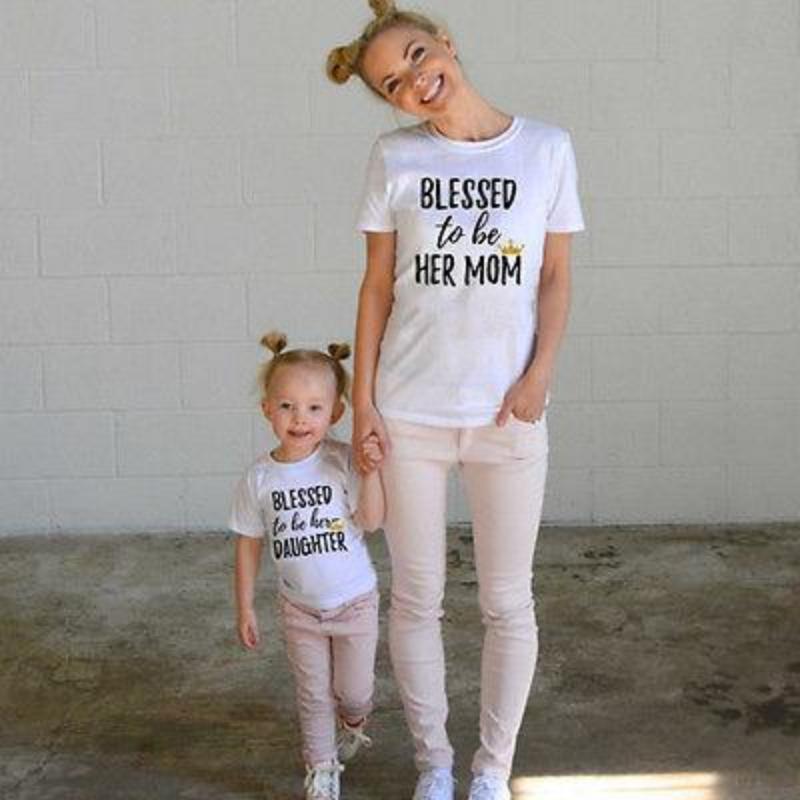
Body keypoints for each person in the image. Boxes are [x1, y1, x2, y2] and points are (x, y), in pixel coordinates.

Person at [326, 2, 585, 799]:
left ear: (446, 41)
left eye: (415, 57)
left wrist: (540, 374)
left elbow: (554, 276)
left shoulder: (546, 148)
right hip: (409, 413)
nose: (414, 82)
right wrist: (364, 404)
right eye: (393, 83)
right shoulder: (394, 157)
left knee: (509, 603)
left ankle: (492, 769)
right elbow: (376, 288)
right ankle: (435, 766)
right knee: (418, 599)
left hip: (508, 415)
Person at [229, 332, 385, 800]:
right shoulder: (259, 478)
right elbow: (248, 543)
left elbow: (373, 522)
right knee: (314, 695)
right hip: (300, 610)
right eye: (287, 407)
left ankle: (353, 721)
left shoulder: (341, 462)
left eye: (314, 408)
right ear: (267, 410)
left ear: (335, 413)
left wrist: (372, 470)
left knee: (353, 693)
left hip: (355, 604)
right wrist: (246, 607)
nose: (300, 419)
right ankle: (321, 767)